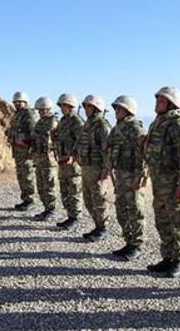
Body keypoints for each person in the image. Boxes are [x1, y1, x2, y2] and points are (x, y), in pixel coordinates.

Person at [144, 86, 180, 278]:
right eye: (157, 100)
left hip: (173, 183)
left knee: (178, 221)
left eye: (162, 101)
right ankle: (168, 257)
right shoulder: (157, 123)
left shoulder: (176, 125)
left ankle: (179, 259)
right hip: (159, 182)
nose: (157, 104)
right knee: (162, 220)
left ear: (172, 104)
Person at [105, 95, 147, 260]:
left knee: (135, 210)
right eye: (115, 108)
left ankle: (137, 244)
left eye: (120, 109)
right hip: (120, 174)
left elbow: (143, 155)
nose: (116, 111)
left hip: (133, 175)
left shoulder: (136, 128)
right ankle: (129, 241)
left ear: (128, 110)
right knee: (121, 209)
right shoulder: (117, 128)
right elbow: (109, 146)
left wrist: (140, 177)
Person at [75, 94, 112, 241]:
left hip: (98, 168)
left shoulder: (102, 126)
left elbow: (107, 150)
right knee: (88, 200)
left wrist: (106, 170)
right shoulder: (88, 124)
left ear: (96, 108)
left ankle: (103, 228)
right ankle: (97, 226)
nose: (86, 109)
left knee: (99, 200)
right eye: (86, 106)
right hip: (86, 167)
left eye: (89, 106)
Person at [54, 93, 84, 230]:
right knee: (65, 190)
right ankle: (70, 216)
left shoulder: (77, 121)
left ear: (70, 106)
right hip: (63, 160)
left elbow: (81, 141)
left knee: (74, 190)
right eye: (61, 105)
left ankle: (75, 217)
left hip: (73, 162)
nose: (62, 108)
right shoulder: (63, 120)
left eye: (64, 105)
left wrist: (74, 156)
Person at [6, 91, 38, 211]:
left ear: (25, 102)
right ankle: (25, 199)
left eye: (19, 102)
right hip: (18, 151)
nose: (17, 104)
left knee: (27, 175)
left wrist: (32, 150)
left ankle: (31, 200)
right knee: (21, 175)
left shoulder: (29, 114)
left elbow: (34, 133)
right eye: (15, 102)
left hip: (26, 151)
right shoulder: (17, 115)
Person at [30, 96, 59, 221]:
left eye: (42, 110)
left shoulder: (53, 121)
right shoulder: (40, 122)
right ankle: (46, 208)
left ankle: (52, 209)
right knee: (41, 185)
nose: (40, 113)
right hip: (39, 157)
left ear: (48, 109)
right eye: (39, 111)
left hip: (48, 158)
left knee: (49, 184)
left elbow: (47, 136)